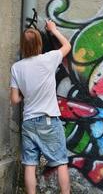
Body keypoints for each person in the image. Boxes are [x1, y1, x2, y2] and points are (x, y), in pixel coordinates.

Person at [10, 20, 71, 194]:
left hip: (28, 122)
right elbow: (67, 45)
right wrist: (53, 30)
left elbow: (15, 99)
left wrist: (26, 92)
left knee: (29, 164)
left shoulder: (16, 68)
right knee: (60, 162)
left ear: (22, 46)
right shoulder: (48, 59)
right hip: (48, 121)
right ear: (39, 43)